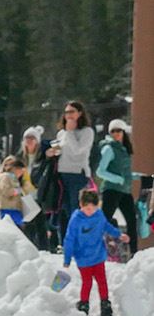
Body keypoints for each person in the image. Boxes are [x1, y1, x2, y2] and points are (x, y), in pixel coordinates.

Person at [62, 190, 127, 316]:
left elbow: (106, 226)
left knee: (102, 281)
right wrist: (67, 258)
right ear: (81, 205)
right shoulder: (76, 220)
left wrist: (118, 234)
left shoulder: (99, 215)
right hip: (83, 259)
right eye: (87, 209)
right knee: (87, 283)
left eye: (93, 208)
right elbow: (69, 239)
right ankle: (84, 306)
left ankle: (105, 308)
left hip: (98, 256)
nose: (90, 212)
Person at [54, 100, 95, 244]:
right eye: (66, 113)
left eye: (72, 112)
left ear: (80, 113)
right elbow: (60, 150)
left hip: (78, 173)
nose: (68, 116)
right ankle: (65, 241)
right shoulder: (62, 133)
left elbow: (79, 150)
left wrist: (70, 132)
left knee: (75, 208)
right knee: (62, 209)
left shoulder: (87, 132)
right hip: (62, 174)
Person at [98, 119, 138, 256]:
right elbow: (100, 171)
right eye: (113, 131)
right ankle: (96, 250)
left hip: (124, 190)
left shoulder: (125, 150)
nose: (116, 133)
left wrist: (139, 176)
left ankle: (134, 253)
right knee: (105, 220)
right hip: (111, 189)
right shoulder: (109, 148)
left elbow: (125, 172)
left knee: (132, 220)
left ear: (123, 132)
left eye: (118, 130)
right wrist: (118, 179)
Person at [0, 157, 28, 227]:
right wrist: (18, 191)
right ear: (16, 168)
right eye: (21, 170)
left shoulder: (14, 178)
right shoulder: (5, 176)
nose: (21, 173)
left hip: (16, 210)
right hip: (7, 209)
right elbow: (6, 191)